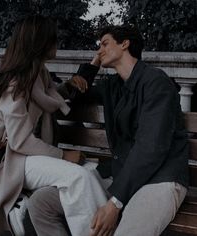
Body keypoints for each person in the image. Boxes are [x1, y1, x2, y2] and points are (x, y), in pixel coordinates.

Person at [27, 24, 189, 236]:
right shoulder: (113, 85)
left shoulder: (155, 82)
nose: (99, 50)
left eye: (104, 44)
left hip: (160, 179)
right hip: (121, 174)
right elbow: (77, 95)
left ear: (124, 43)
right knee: (41, 203)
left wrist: (115, 203)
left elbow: (151, 148)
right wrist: (94, 64)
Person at [0, 15, 108, 236]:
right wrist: (63, 155)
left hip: (31, 154)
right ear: (39, 43)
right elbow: (20, 141)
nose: (57, 44)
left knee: (91, 173)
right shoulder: (15, 82)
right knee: (79, 177)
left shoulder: (39, 73)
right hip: (13, 159)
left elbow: (46, 101)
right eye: (53, 39)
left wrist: (68, 86)